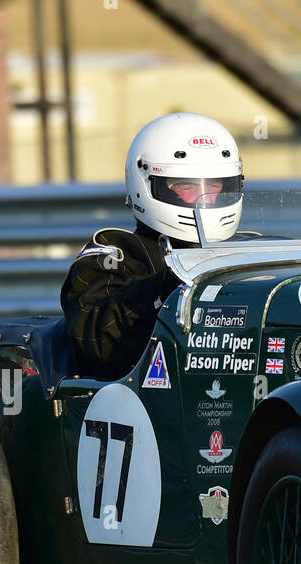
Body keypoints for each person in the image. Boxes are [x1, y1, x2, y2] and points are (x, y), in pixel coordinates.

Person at [60, 112, 245, 379]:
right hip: (139, 397)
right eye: (186, 187)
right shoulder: (116, 253)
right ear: (147, 184)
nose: (205, 198)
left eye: (215, 186)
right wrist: (169, 284)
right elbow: (96, 340)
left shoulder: (244, 252)